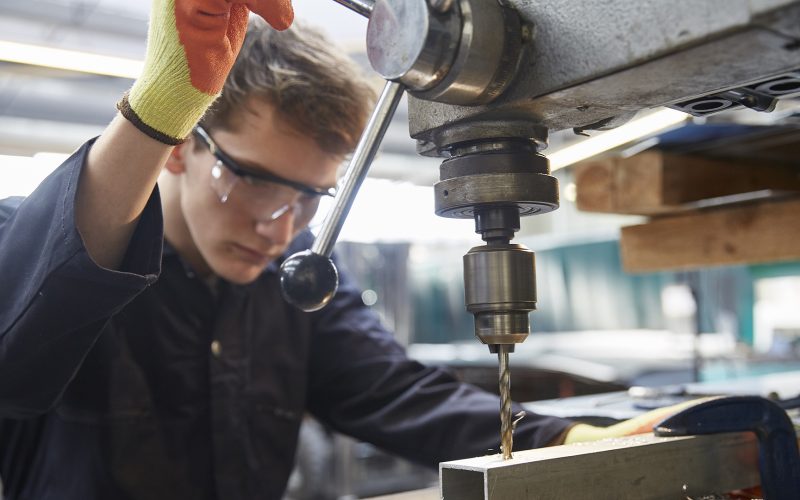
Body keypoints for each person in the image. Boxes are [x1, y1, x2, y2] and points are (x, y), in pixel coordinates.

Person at [0, 2, 699, 499]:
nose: (282, 226)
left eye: (311, 198)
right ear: (182, 145)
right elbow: (17, 345)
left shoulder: (294, 278)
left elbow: (397, 395)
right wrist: (155, 110)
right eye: (254, 182)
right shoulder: (37, 246)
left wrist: (575, 440)